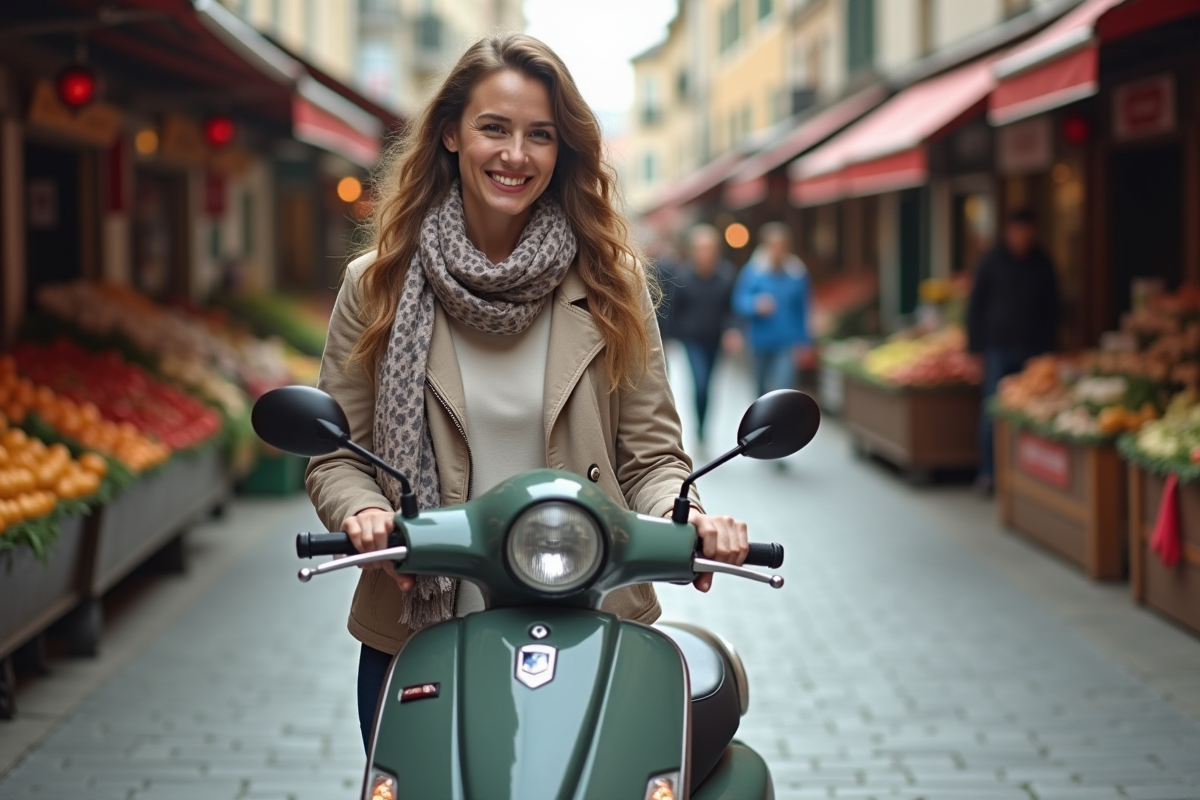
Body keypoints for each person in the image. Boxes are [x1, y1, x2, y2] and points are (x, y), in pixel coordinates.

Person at [303, 33, 752, 751]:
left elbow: (651, 455)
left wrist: (688, 515)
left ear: (561, 151)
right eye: (494, 128)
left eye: (540, 135)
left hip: (589, 619)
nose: (516, 154)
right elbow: (335, 453)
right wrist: (361, 510)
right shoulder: (378, 284)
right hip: (420, 624)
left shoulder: (612, 283)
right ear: (451, 133)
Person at [967, 207, 1060, 493]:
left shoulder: (1043, 264)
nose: (1023, 236)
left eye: (1028, 231)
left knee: (1030, 414)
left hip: (1033, 351)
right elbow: (975, 306)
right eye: (1019, 231)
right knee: (993, 412)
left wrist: (1050, 350)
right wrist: (974, 349)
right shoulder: (991, 262)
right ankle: (989, 473)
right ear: (1009, 231)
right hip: (997, 348)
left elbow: (1054, 309)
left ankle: (1021, 478)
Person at [670, 224, 736, 443]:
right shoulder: (683, 276)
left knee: (708, 384)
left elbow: (731, 309)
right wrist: (672, 337)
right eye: (701, 248)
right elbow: (674, 310)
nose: (705, 253)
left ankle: (703, 426)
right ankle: (699, 426)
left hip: (715, 338)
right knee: (699, 383)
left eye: (709, 248)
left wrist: (731, 330)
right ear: (693, 250)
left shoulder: (726, 275)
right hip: (692, 339)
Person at [732, 222, 811, 398]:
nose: (777, 250)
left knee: (784, 387)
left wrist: (805, 341)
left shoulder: (797, 273)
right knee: (761, 388)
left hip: (786, 341)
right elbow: (739, 301)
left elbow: (803, 308)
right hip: (759, 340)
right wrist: (755, 304)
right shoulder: (753, 271)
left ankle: (782, 424)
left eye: (781, 246)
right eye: (773, 246)